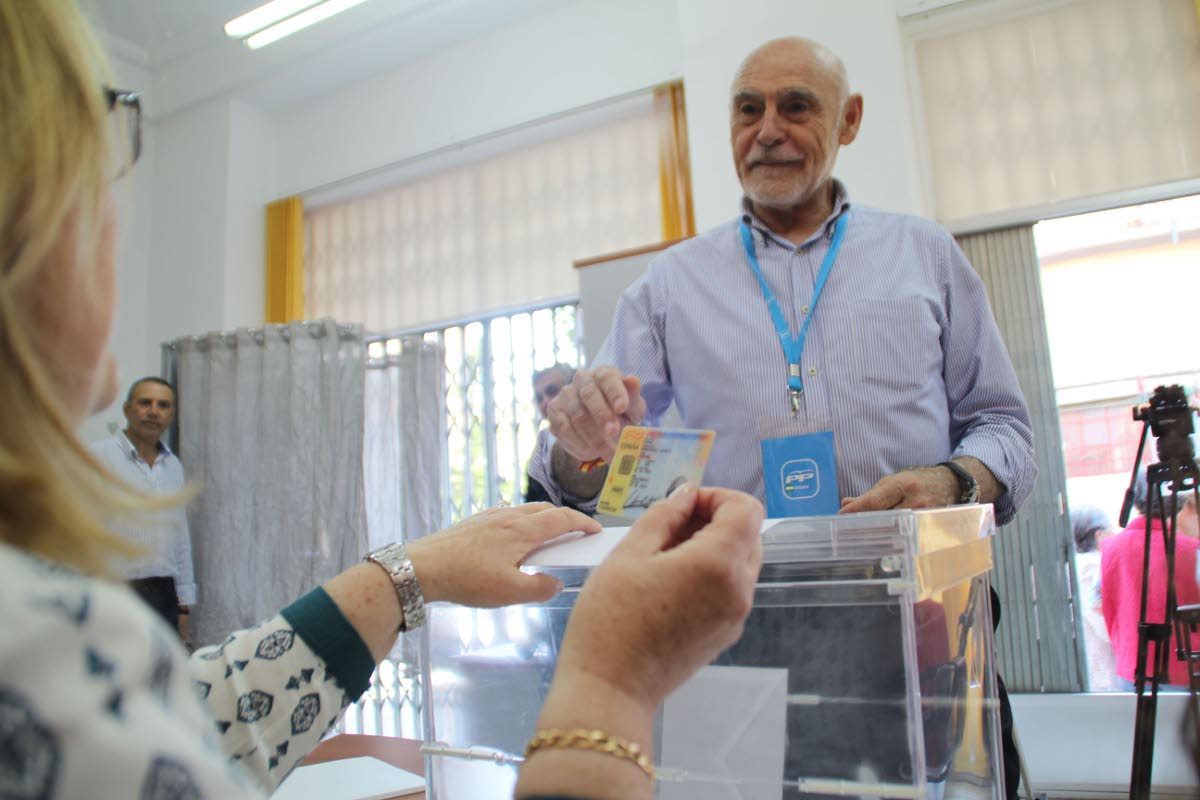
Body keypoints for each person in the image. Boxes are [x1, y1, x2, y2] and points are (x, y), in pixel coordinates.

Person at [0, 4, 765, 800]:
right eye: (91, 163)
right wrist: (611, 684)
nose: (110, 216)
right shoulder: (38, 653)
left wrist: (414, 570)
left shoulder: (57, 639)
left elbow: (203, 713)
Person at [527, 36, 1036, 798]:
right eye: (747, 109)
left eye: (797, 106)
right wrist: (580, 444)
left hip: (913, 619)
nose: (768, 130)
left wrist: (954, 478)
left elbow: (1006, 428)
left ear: (849, 120)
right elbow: (579, 471)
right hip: (735, 626)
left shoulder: (926, 256)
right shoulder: (670, 286)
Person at [90, 377, 195, 640]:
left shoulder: (173, 467)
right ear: (127, 410)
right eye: (145, 403)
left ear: (171, 415)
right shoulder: (97, 458)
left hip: (164, 596)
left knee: (160, 676)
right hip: (115, 591)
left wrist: (183, 606)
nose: (153, 412)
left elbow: (180, 537)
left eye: (163, 405)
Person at [1100, 474, 1200, 691]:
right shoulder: (1191, 549)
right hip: (1184, 669)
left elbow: (1109, 609)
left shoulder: (1110, 549)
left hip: (1132, 666)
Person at [1071, 505, 1119, 691]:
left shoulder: (1074, 564)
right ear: (1099, 535)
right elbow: (1102, 622)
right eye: (1110, 530)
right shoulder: (1092, 567)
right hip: (1100, 665)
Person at [526, 364, 578, 507]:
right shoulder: (540, 455)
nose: (545, 403)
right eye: (539, 398)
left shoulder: (603, 438)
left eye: (552, 391)